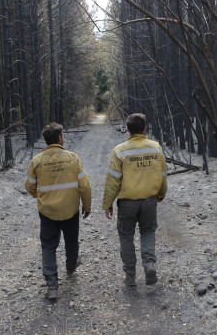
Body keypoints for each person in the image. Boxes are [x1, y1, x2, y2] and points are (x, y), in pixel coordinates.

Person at [25, 123, 92, 300]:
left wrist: (40, 197)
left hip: (47, 212)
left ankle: (52, 285)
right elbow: (84, 186)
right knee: (71, 240)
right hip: (70, 210)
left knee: (48, 246)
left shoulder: (37, 161)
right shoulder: (73, 158)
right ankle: (71, 267)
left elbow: (29, 186)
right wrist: (86, 206)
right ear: (60, 138)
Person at [103, 113, 167, 288]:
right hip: (149, 201)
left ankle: (130, 276)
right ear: (145, 128)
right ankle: (149, 265)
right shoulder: (156, 148)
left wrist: (107, 203)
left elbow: (112, 180)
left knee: (126, 237)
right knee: (147, 232)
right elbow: (163, 175)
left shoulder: (120, 150)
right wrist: (161, 193)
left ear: (127, 129)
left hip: (127, 204)